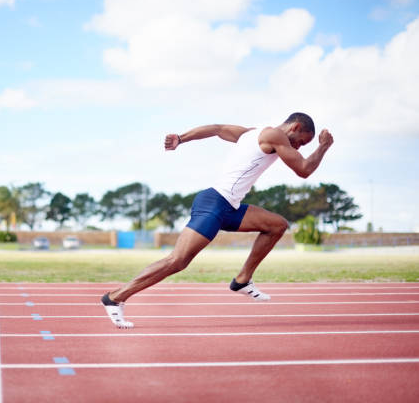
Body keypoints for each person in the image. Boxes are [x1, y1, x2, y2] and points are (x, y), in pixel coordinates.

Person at [101, 112, 334, 328]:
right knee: (178, 261)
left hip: (229, 207)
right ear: (295, 127)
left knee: (277, 225)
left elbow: (217, 129)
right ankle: (115, 298)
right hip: (214, 204)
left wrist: (181, 138)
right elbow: (304, 169)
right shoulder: (273, 135)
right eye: (301, 142)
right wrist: (323, 147)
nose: (297, 147)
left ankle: (242, 280)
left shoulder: (252, 133)